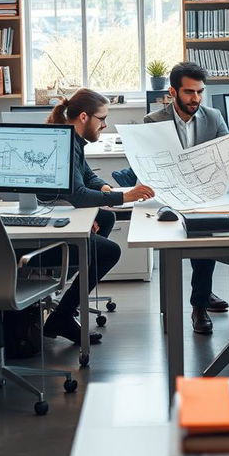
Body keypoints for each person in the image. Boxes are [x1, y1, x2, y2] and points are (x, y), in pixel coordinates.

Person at [116, 62, 229, 336]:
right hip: (168, 194)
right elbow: (148, 166)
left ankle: (199, 304)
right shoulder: (153, 121)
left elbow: (228, 165)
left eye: (200, 91)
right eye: (189, 92)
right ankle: (201, 297)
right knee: (180, 232)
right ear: (172, 92)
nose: (196, 99)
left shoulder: (213, 118)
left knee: (207, 231)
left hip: (205, 193)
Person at [41, 89, 155, 346]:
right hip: (50, 225)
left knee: (106, 220)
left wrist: (105, 188)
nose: (105, 125)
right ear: (84, 116)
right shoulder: (65, 144)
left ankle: (72, 293)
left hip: (60, 211)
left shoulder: (73, 140)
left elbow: (88, 177)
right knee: (109, 251)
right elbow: (79, 195)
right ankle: (63, 314)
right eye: (101, 119)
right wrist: (124, 197)